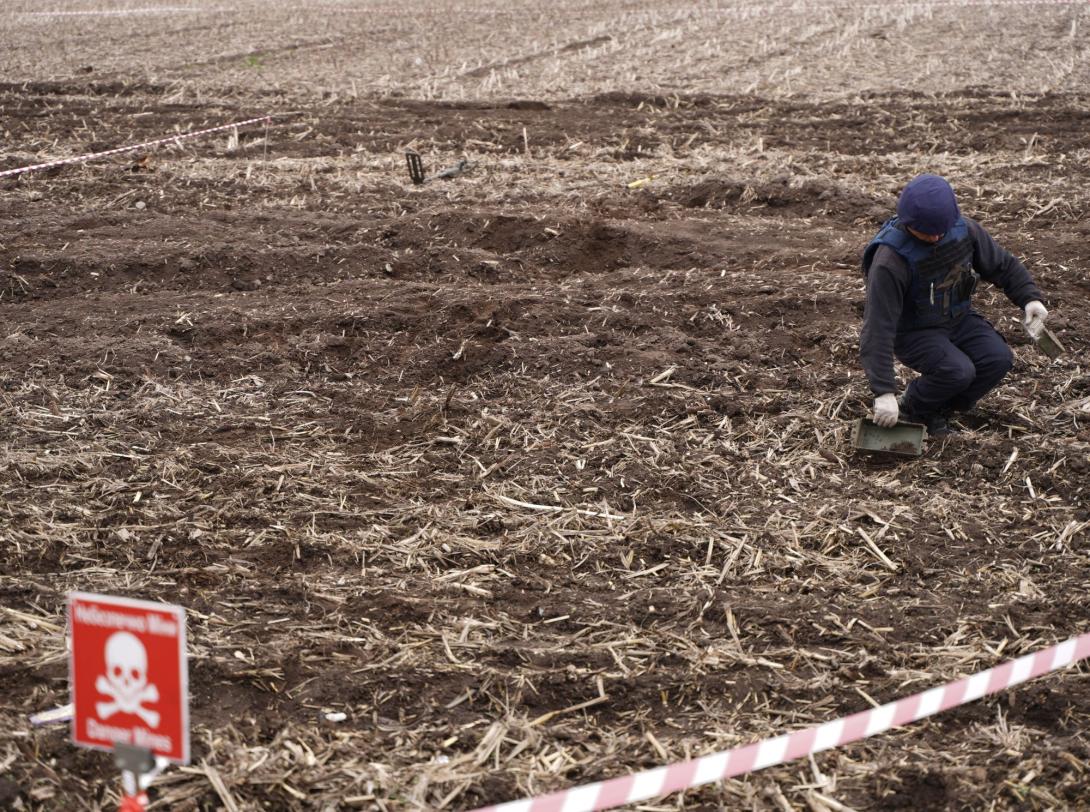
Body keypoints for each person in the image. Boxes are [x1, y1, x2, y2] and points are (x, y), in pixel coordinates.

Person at [860, 174, 1049, 436]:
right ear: (907, 222)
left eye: (941, 230)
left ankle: (938, 409)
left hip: (957, 318)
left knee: (997, 359)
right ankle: (912, 407)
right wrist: (883, 391)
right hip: (914, 332)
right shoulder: (890, 262)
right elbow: (877, 328)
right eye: (927, 233)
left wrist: (1030, 298)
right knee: (957, 371)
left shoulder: (964, 230)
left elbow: (1003, 265)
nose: (936, 238)